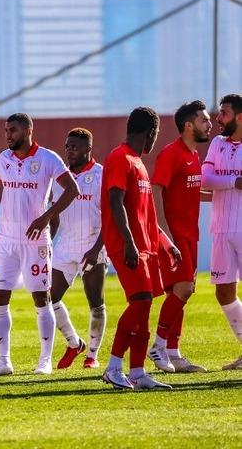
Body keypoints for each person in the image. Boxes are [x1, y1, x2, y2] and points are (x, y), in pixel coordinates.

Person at [0, 113, 79, 377]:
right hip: (6, 240)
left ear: (29, 130)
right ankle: (3, 361)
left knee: (42, 298)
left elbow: (72, 189)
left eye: (14, 130)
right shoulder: (4, 158)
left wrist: (46, 217)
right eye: (6, 130)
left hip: (35, 241)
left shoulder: (48, 158)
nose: (8, 134)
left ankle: (45, 361)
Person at [101, 106, 180, 390]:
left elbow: (146, 215)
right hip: (127, 246)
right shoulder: (120, 158)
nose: (154, 142)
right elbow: (115, 202)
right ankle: (113, 366)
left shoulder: (138, 162)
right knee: (141, 301)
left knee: (144, 308)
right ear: (151, 133)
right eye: (155, 136)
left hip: (146, 248)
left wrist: (165, 243)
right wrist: (130, 243)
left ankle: (137, 372)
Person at [148, 101, 211, 373]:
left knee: (181, 293)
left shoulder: (193, 155)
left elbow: (189, 190)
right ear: (189, 125)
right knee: (184, 289)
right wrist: (165, 234)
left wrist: (228, 191)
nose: (209, 124)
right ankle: (158, 347)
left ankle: (173, 352)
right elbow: (156, 190)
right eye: (204, 120)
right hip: (175, 236)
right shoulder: (171, 153)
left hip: (189, 234)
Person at [48, 128, 107, 370]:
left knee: (95, 302)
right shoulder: (60, 177)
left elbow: (111, 216)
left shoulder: (101, 174)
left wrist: (97, 248)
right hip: (65, 245)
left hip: (92, 244)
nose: (69, 151)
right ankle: (74, 343)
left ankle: (92, 354)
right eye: (67, 147)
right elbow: (54, 215)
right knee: (48, 298)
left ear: (87, 149)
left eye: (75, 147)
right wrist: (47, 243)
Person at [201, 93, 242, 370]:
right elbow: (205, 179)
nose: (218, 118)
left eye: (224, 113)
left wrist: (223, 182)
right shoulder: (217, 143)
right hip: (220, 229)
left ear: (240, 117)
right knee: (223, 293)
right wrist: (234, 181)